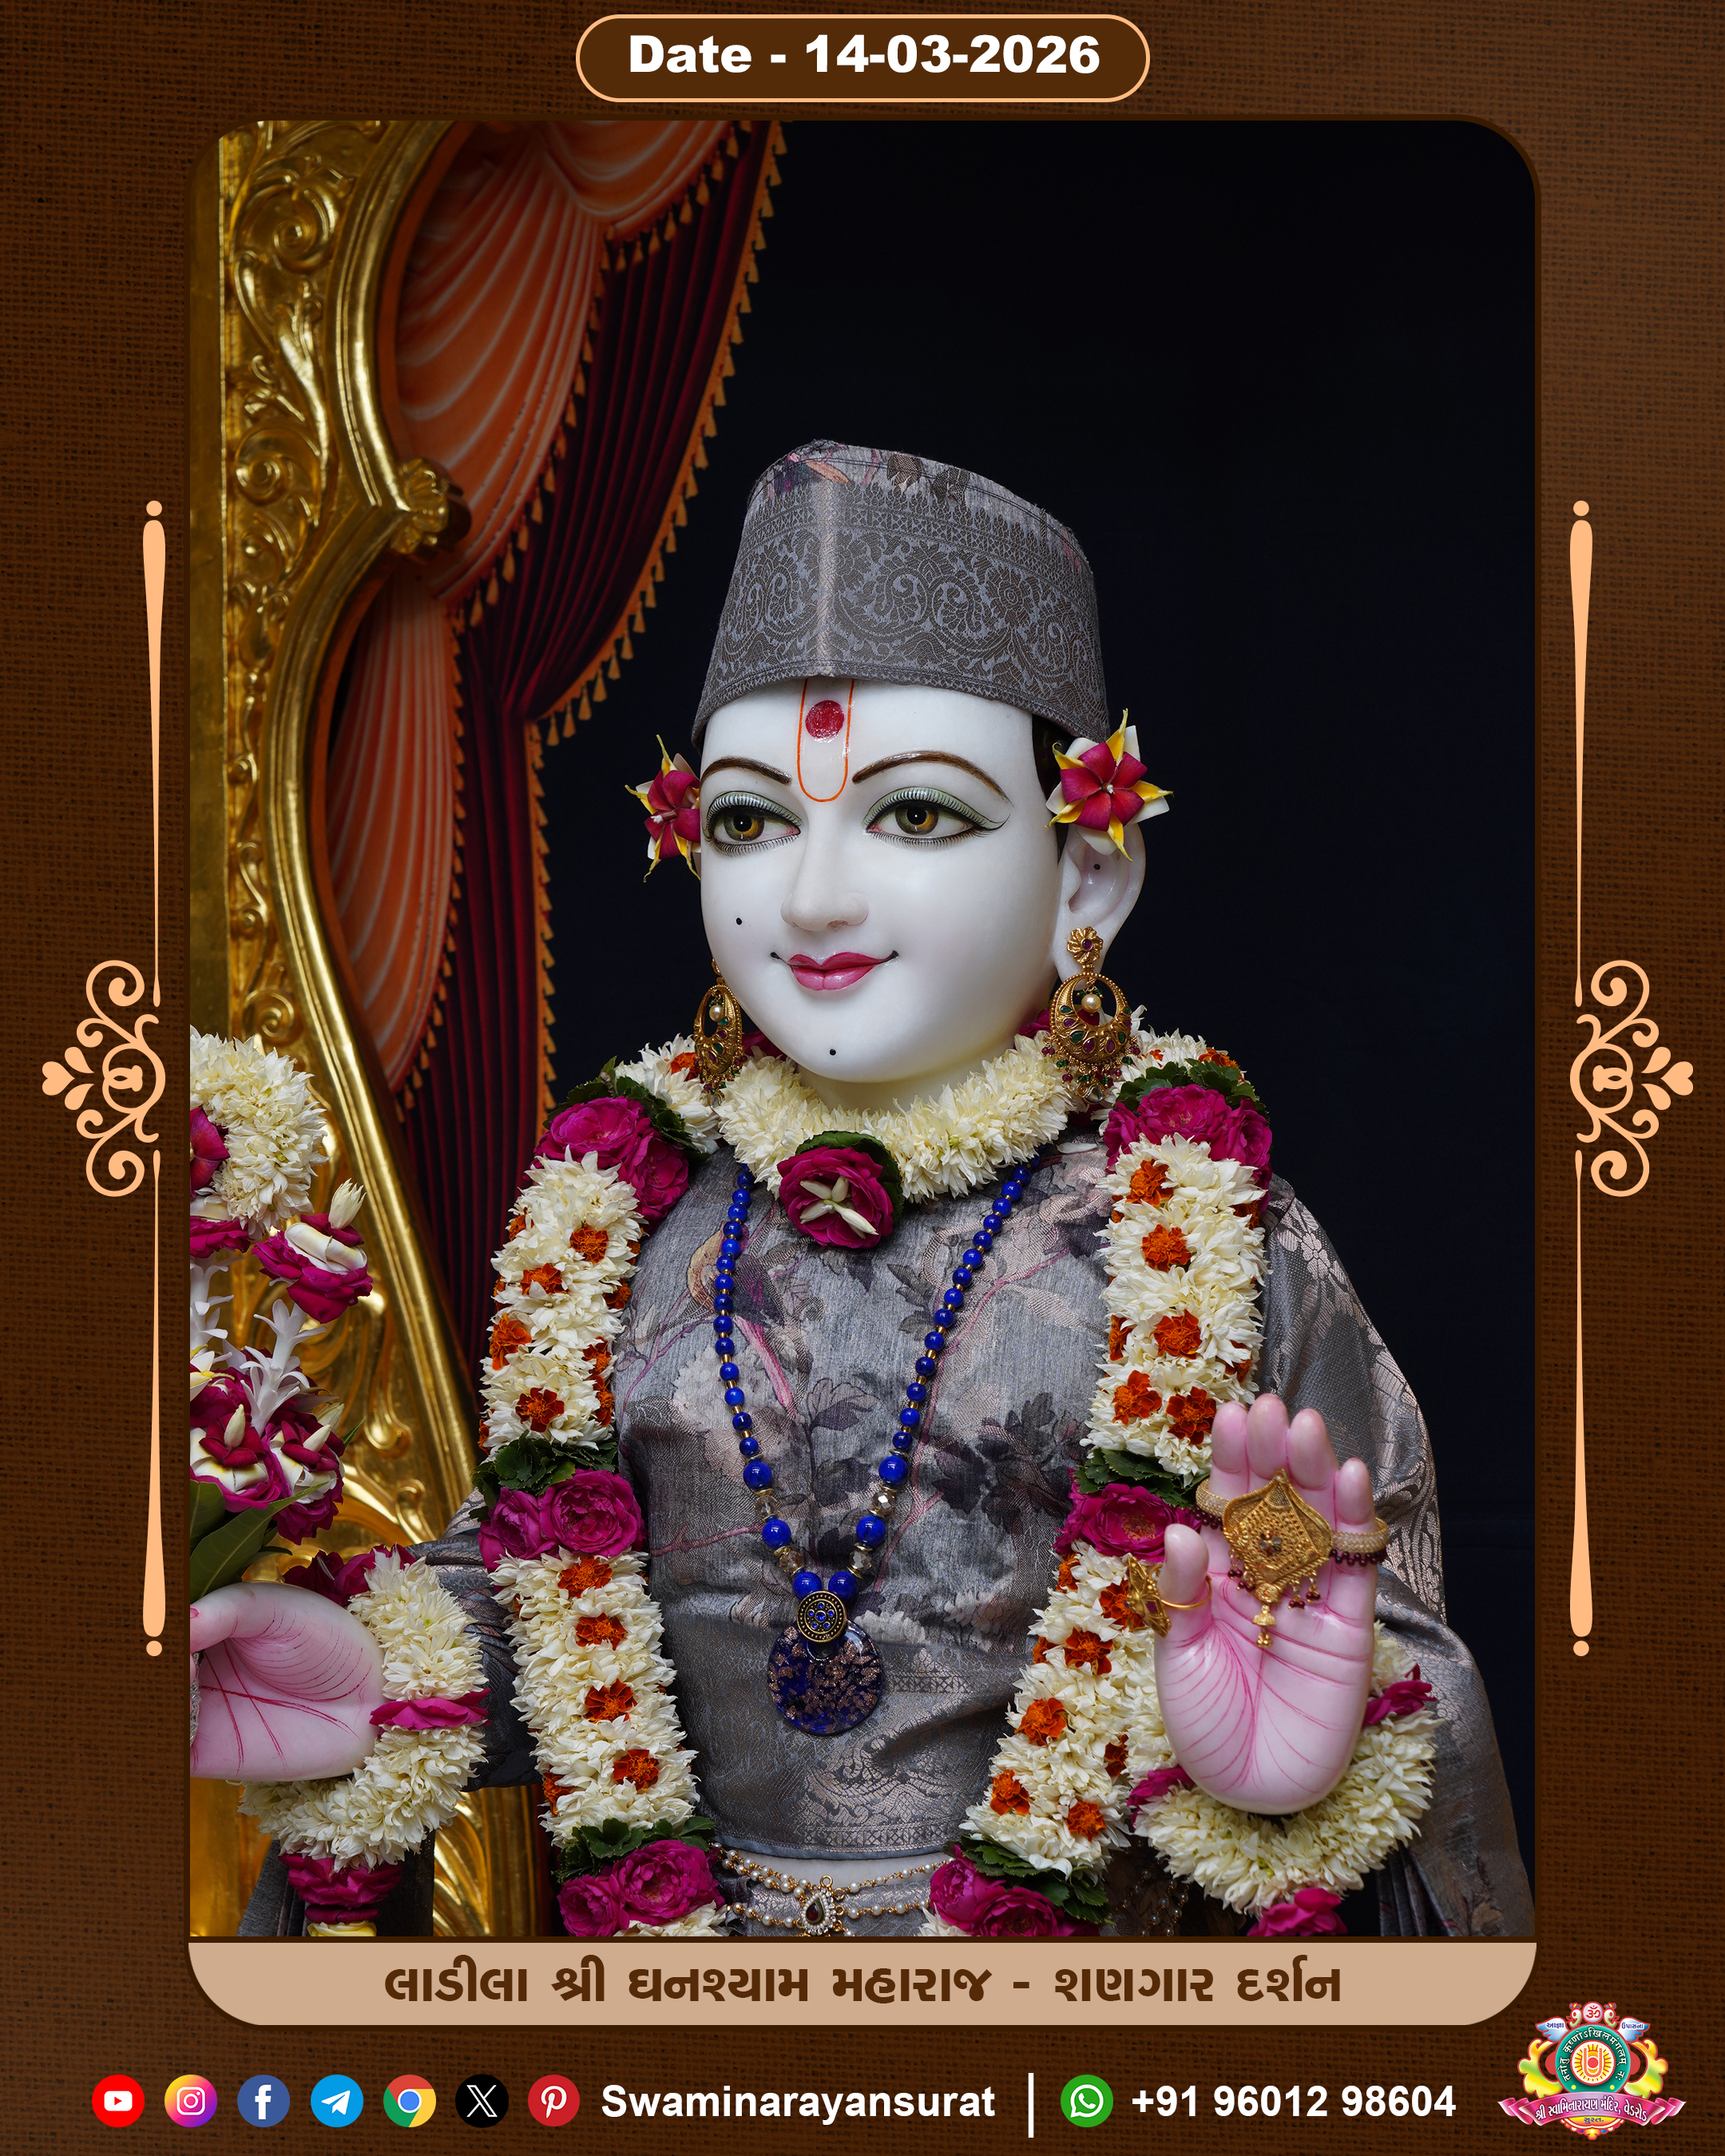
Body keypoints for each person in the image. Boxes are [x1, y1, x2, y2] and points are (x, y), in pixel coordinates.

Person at [197, 442, 1530, 1940]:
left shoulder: (1202, 1233)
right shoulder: (627, 1221)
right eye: (750, 821)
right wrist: (377, 1681)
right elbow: (562, 1622)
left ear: (1088, 881)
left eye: (915, 816)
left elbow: (1377, 1648)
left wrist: (1289, 1771)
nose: (815, 894)